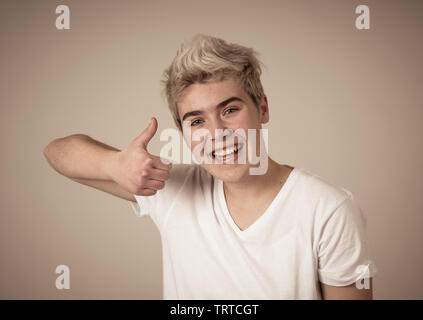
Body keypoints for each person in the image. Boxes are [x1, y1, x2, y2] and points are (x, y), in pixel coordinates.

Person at [43, 34, 377, 299]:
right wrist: (115, 164)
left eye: (230, 110)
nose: (216, 134)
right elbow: (56, 153)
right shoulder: (171, 190)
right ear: (184, 132)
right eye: (197, 120)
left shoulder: (329, 210)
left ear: (262, 108)